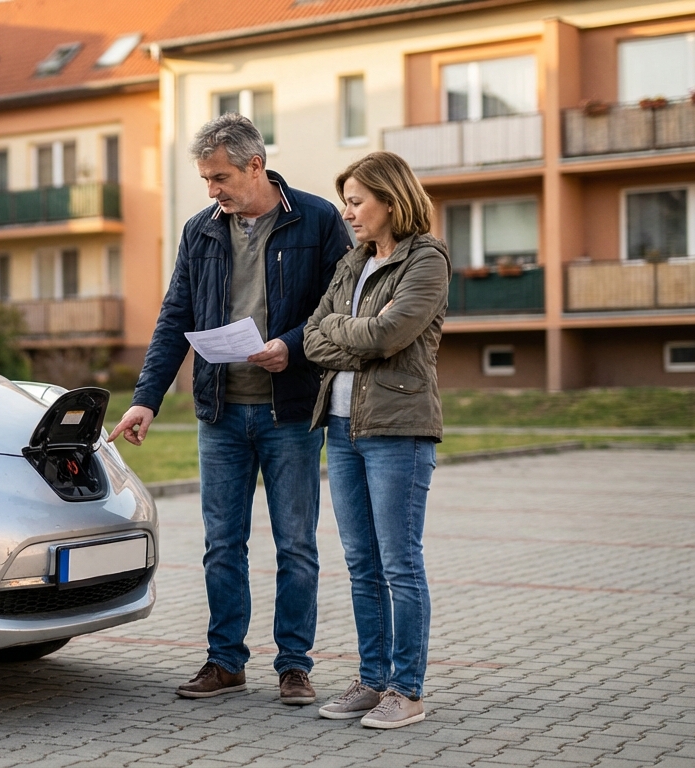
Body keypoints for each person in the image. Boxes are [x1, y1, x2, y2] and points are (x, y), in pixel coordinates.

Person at [108, 114, 351, 704]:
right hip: (220, 412)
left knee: (296, 544)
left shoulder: (317, 220)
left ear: (255, 165)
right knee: (222, 543)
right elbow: (175, 317)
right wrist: (146, 399)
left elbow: (336, 307)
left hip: (287, 411)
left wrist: (289, 347)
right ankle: (225, 661)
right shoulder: (201, 230)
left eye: (220, 177)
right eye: (206, 179)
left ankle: (294, 664)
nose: (212, 189)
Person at [301, 151, 449, 729]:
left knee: (399, 565)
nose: (349, 212)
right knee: (362, 564)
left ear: (391, 200)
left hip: (399, 430)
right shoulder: (353, 261)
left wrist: (358, 334)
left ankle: (407, 689)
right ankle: (371, 679)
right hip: (342, 429)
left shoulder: (426, 261)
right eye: (346, 202)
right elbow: (314, 338)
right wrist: (356, 335)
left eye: (358, 201)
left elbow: (390, 333)